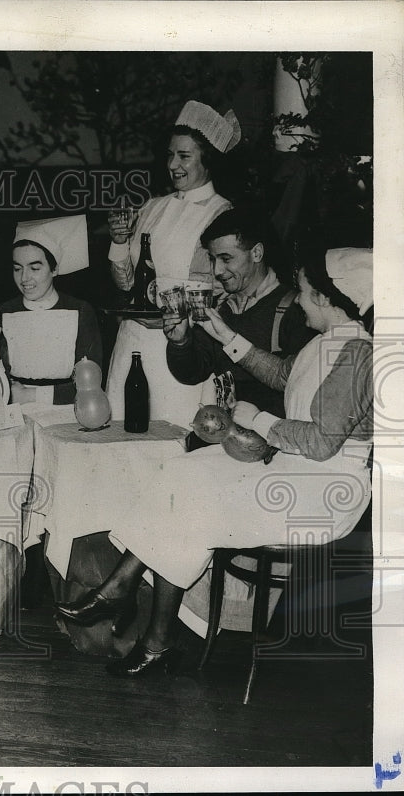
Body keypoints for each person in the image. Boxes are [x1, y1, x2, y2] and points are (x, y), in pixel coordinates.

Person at [55, 247, 373, 676]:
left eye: (301, 292)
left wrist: (258, 418)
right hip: (291, 470)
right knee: (182, 471)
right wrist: (223, 332)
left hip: (325, 490)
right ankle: (137, 610)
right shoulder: (327, 341)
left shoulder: (358, 354)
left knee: (192, 500)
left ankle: (136, 609)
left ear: (324, 296)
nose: (296, 301)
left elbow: (321, 443)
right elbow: (282, 374)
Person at [105, 100, 240, 427]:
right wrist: (119, 242)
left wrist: (176, 320)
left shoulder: (221, 213)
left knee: (168, 440)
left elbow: (224, 294)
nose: (173, 165)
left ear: (206, 159)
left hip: (178, 348)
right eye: (170, 155)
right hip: (131, 342)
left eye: (184, 156)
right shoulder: (152, 207)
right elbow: (126, 283)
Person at [165, 207, 318, 419]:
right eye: (213, 259)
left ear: (256, 253)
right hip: (224, 433)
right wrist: (180, 342)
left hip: (272, 438)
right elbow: (191, 373)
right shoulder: (221, 307)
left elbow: (301, 383)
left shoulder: (296, 308)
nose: (216, 271)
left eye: (226, 259)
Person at [0, 216, 102, 409]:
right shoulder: (2, 313)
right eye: (17, 268)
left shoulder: (81, 311)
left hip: (67, 412)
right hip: (14, 413)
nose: (24, 278)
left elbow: (91, 383)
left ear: (54, 269)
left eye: (34, 268)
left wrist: (29, 395)